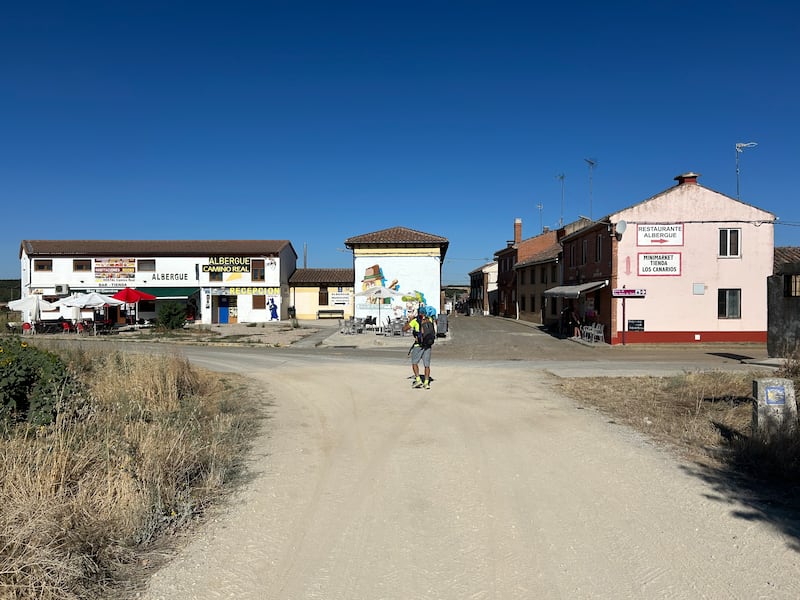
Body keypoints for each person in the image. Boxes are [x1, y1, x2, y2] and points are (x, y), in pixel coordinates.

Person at [403, 305, 436, 389]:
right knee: (427, 365)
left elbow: (404, 329)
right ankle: (426, 382)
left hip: (418, 345)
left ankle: (418, 380)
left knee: (414, 363)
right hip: (428, 345)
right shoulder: (430, 319)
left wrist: (410, 320)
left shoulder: (416, 321)